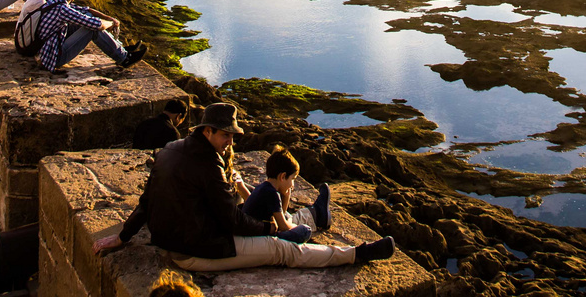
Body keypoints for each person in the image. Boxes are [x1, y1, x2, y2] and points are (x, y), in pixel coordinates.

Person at [112, 103, 393, 272]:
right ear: (207, 131)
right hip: (196, 250)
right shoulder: (208, 166)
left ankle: (315, 216)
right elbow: (232, 221)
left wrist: (123, 236)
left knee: (266, 218)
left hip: (187, 237)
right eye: (226, 135)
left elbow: (146, 201)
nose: (231, 143)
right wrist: (270, 231)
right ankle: (357, 253)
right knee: (282, 250)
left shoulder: (171, 148)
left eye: (233, 136)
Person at [34, 0, 147, 74]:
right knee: (92, 29)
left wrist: (108, 18)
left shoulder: (56, 1)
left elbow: (85, 10)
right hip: (52, 58)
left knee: (87, 16)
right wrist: (111, 24)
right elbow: (96, 25)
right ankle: (124, 58)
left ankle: (120, 49)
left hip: (48, 48)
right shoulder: (63, 9)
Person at [240, 145, 331, 244]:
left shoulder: (264, 187)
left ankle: (317, 214)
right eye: (292, 179)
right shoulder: (272, 193)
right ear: (283, 176)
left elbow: (280, 215)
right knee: (305, 230)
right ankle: (315, 216)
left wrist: (286, 197)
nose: (292, 185)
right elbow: (283, 227)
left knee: (287, 216)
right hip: (261, 237)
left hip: (260, 230)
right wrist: (294, 227)